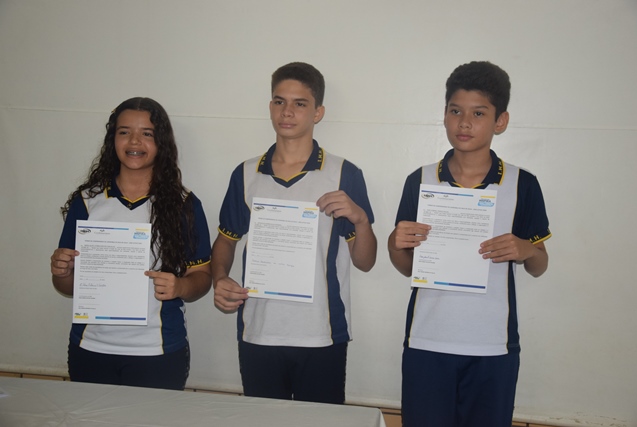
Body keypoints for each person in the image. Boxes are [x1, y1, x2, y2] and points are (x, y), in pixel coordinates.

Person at [388, 61, 551, 426]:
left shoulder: (522, 184)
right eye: (455, 111)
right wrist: (394, 245)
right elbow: (409, 267)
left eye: (478, 113)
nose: (464, 123)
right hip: (427, 340)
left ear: (500, 121)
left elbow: (539, 265)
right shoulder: (420, 180)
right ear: (445, 115)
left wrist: (526, 249)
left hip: (493, 345)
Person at [211, 62, 377, 404]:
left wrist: (361, 220)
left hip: (321, 334)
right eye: (279, 101)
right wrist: (220, 278)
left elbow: (365, 262)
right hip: (258, 331)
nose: (287, 112)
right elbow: (226, 240)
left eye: (300, 103)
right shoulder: (246, 174)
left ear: (318, 112)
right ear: (270, 106)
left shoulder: (343, 173)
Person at [50, 97, 212, 390]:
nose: (134, 141)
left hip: (158, 351)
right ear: (112, 139)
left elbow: (201, 277)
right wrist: (61, 272)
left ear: (162, 142)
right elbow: (68, 286)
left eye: (147, 133)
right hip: (91, 347)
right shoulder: (87, 201)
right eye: (124, 132)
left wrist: (180, 287)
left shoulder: (184, 204)